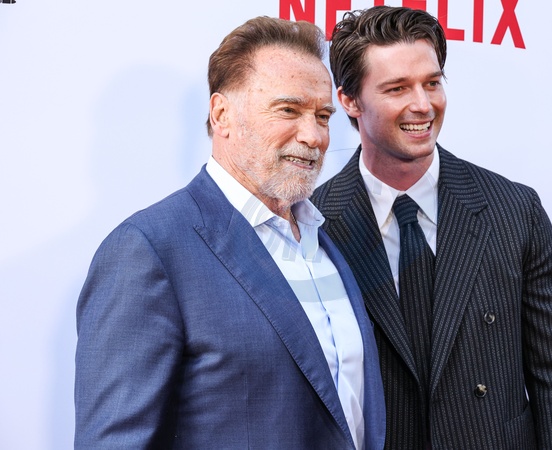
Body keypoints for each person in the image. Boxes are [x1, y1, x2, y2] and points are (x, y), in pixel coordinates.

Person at [74, 16, 386, 449]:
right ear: (221, 114)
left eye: (322, 116)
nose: (313, 136)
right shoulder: (148, 251)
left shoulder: (327, 241)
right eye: (288, 110)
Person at [312, 6, 552, 449]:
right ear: (349, 100)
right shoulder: (314, 222)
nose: (423, 105)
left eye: (432, 83)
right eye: (397, 88)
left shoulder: (515, 210)